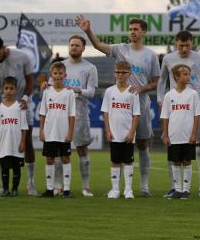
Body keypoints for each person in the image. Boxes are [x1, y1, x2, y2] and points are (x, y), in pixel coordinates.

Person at [76, 15, 160, 197]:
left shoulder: (151, 55)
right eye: (130, 29)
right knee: (118, 144)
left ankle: (144, 186)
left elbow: (156, 82)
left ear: (143, 32)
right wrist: (88, 30)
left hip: (141, 105)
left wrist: (143, 88)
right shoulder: (120, 49)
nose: (132, 32)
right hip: (120, 107)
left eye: (136, 29)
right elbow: (98, 45)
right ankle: (117, 188)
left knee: (142, 144)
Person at [158, 31, 200, 198]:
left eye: (187, 45)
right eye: (181, 45)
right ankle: (175, 187)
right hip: (175, 106)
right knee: (173, 147)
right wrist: (160, 98)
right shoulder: (169, 59)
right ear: (176, 43)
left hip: (195, 106)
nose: (184, 48)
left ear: (192, 43)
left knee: (199, 149)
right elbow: (162, 80)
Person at [0, 35, 36, 195]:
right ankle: (3, 186)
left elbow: (30, 80)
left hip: (22, 105)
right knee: (1, 144)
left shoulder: (21, 57)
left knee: (27, 141)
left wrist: (25, 98)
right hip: (3, 108)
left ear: (3, 48)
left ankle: (30, 184)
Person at [54, 35, 99, 197]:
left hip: (79, 113)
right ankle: (59, 186)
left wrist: (78, 90)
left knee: (82, 149)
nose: (74, 47)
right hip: (60, 114)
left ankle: (86, 187)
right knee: (60, 151)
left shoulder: (90, 68)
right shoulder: (60, 65)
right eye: (72, 45)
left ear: (83, 48)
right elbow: (53, 90)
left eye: (77, 45)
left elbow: (92, 93)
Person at [160, 64, 200, 199]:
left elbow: (197, 115)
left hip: (188, 135)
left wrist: (194, 134)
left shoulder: (193, 94)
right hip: (173, 136)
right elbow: (165, 117)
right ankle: (177, 190)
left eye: (189, 74)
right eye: (185, 74)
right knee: (175, 162)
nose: (188, 76)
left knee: (187, 161)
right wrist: (165, 135)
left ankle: (186, 190)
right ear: (176, 77)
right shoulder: (168, 95)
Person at [101, 62, 141, 199]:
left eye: (123, 72)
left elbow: (136, 114)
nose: (120, 75)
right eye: (118, 72)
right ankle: (115, 189)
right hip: (114, 133)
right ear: (114, 73)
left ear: (129, 74)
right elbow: (105, 113)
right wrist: (107, 130)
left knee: (128, 161)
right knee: (115, 160)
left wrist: (132, 132)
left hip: (128, 134)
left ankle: (128, 190)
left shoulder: (133, 92)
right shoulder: (109, 91)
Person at [38, 62, 76, 198]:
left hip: (64, 132)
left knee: (66, 158)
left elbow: (72, 115)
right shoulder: (47, 92)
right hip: (49, 132)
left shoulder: (70, 92)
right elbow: (42, 113)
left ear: (65, 75)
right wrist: (41, 130)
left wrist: (70, 132)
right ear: (51, 75)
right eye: (55, 73)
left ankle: (66, 189)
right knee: (49, 159)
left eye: (60, 73)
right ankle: (49, 189)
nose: (58, 76)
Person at [0, 77, 29, 196]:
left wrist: (23, 142)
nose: (9, 90)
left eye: (11, 88)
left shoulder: (20, 106)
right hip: (4, 144)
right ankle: (5, 190)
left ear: (15, 90)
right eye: (6, 88)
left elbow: (24, 127)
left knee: (16, 168)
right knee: (4, 168)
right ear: (3, 90)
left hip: (16, 143)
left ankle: (14, 190)